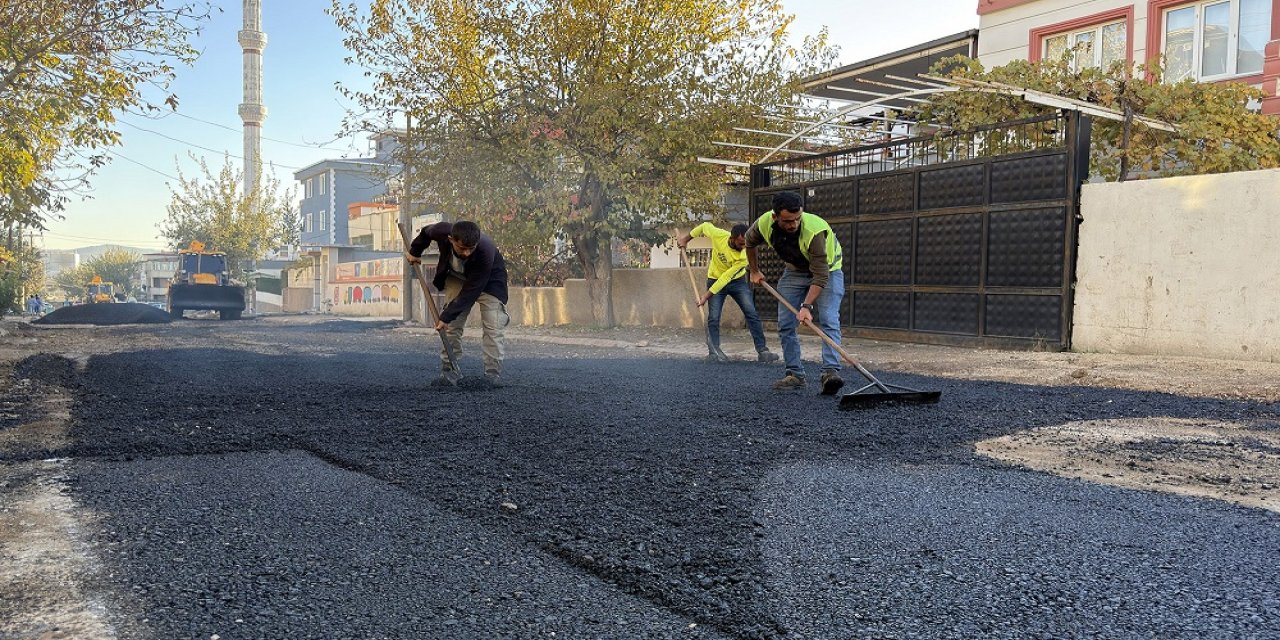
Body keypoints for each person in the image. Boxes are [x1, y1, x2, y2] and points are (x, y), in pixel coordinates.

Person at [746, 190, 846, 394]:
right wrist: (754, 270)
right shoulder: (764, 223)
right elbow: (749, 242)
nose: (793, 224)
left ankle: (830, 372)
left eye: (797, 219)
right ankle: (795, 374)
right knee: (785, 323)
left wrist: (806, 306)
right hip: (794, 272)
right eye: (788, 221)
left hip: (828, 271)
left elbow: (820, 277)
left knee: (828, 319)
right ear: (775, 217)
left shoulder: (815, 231)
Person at [406, 220, 510, 386]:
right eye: (462, 248)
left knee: (493, 326)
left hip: (489, 281)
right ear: (450, 239)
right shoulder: (441, 230)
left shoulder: (485, 250)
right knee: (452, 326)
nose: (467, 253)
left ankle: (492, 375)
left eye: (471, 248)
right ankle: (448, 371)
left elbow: (472, 290)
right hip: (456, 277)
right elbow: (426, 232)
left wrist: (446, 315)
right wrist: (415, 251)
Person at [676, 223, 778, 364]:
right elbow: (704, 226)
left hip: (737, 282)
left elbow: (726, 278)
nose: (744, 247)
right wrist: (686, 240)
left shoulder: (744, 256)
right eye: (741, 243)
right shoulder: (719, 235)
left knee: (751, 314)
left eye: (746, 244)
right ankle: (714, 352)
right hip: (714, 279)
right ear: (732, 238)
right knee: (714, 317)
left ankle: (763, 351)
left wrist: (705, 296)